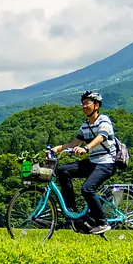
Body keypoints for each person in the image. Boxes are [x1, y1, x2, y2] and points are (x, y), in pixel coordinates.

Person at [51, 91, 118, 234]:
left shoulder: (104, 120)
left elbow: (101, 137)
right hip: (93, 162)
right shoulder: (86, 125)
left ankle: (102, 222)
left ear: (96, 105)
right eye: (83, 103)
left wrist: (86, 148)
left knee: (87, 188)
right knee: (63, 171)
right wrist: (58, 148)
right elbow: (74, 142)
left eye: (87, 103)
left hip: (106, 163)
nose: (84, 106)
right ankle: (71, 211)